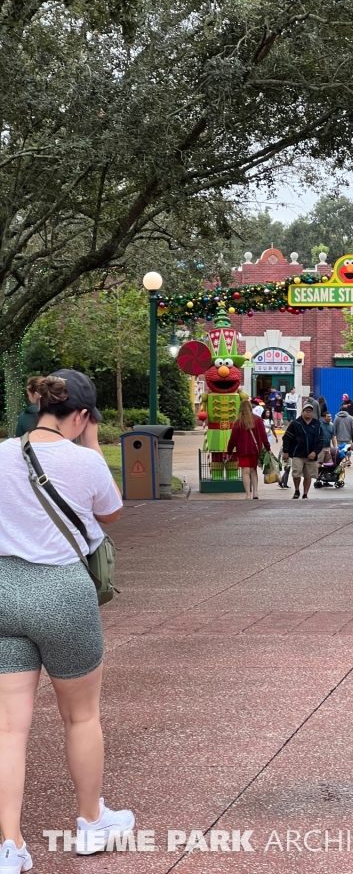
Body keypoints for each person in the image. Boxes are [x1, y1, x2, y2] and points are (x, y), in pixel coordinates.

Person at [0, 371, 134, 868]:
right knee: (81, 716)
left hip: (3, 591)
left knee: (8, 729)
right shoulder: (84, 461)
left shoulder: (0, 454)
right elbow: (112, 513)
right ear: (81, 416)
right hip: (62, 592)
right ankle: (90, 822)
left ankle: (9, 846)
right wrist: (93, 444)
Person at [227, 399, 269, 500]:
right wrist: (268, 448)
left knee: (245, 471)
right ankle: (255, 492)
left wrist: (229, 451)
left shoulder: (238, 422)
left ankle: (247, 494)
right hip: (255, 449)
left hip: (243, 449)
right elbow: (264, 436)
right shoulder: (258, 420)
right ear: (251, 408)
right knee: (253, 470)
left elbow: (233, 439)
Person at [282, 403, 322, 499]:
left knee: (308, 475)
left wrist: (315, 452)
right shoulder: (296, 423)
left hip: (311, 455)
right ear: (302, 412)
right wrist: (286, 451)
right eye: (306, 411)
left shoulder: (317, 424)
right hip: (297, 454)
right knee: (296, 473)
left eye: (310, 411)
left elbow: (321, 440)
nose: (308, 413)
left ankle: (305, 494)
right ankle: (297, 490)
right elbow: (286, 438)